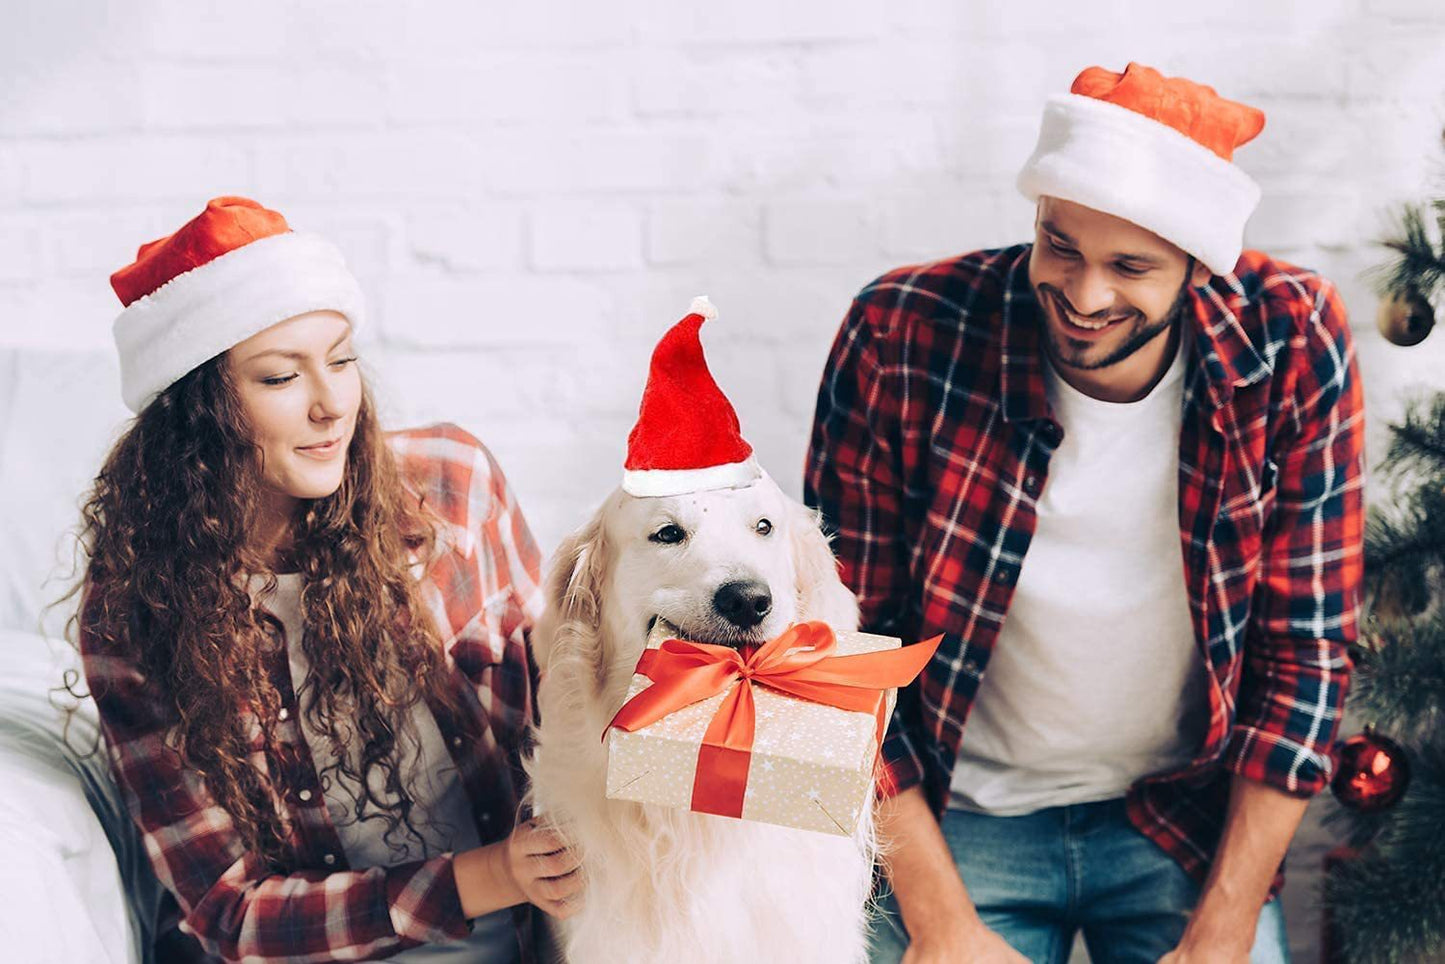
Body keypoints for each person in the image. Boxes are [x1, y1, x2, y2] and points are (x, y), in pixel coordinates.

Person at [805, 63, 1365, 963]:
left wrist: (1220, 934)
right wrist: (942, 927)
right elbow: (840, 652)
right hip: (950, 816)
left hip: (1175, 819)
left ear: (1195, 265)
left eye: (1130, 267)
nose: (1084, 294)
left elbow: (1302, 653)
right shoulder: (901, 332)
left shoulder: (1289, 339)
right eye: (1059, 246)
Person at [72, 196, 582, 962]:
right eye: (280, 377)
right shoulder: (135, 611)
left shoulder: (450, 484)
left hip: (534, 929)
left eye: (341, 359)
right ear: (198, 415)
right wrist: (490, 876)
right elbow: (229, 912)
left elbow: (569, 689)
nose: (332, 403)